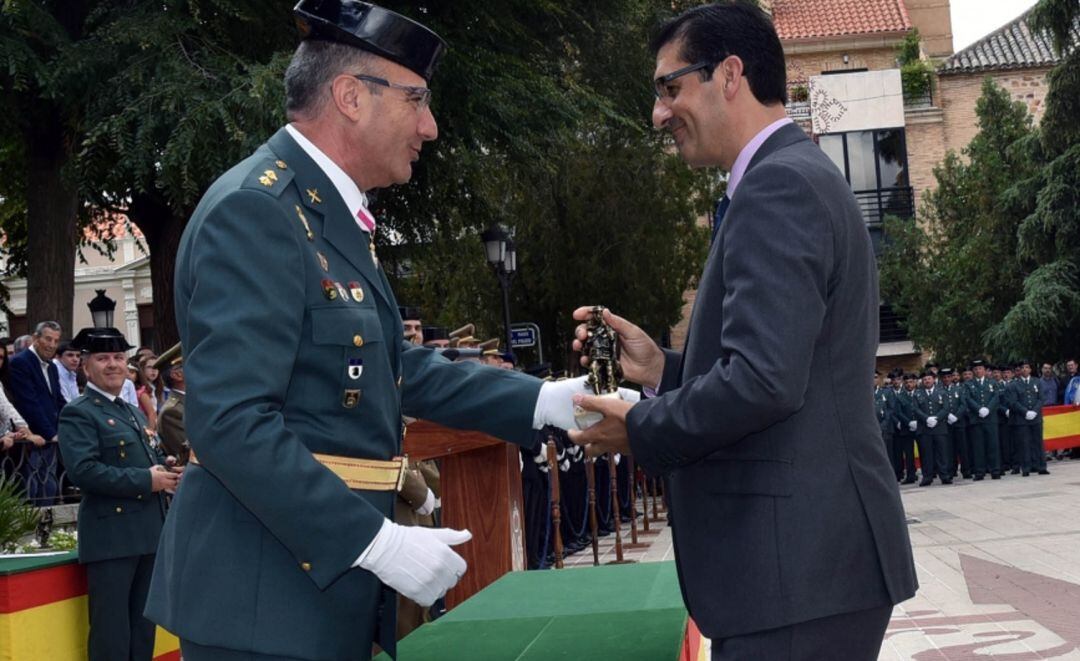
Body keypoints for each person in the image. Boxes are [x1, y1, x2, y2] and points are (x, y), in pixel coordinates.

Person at [144, 4, 584, 658]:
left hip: (308, 595)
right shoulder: (257, 211)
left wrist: (545, 400)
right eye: (417, 101)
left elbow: (388, 362)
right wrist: (373, 540)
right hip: (265, 600)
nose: (430, 127)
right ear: (351, 96)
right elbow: (230, 420)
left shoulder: (320, 211)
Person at [567, 4, 916, 658]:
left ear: (730, 74)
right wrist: (663, 369)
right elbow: (787, 366)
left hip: (797, 570)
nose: (659, 114)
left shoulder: (778, 185)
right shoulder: (787, 176)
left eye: (671, 87)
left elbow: (763, 381)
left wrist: (640, 426)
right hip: (804, 571)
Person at [57, 328, 180, 661]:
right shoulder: (79, 412)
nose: (112, 364)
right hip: (112, 538)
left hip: (148, 534)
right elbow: (84, 472)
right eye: (102, 358)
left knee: (143, 632)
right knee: (112, 635)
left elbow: (147, 456)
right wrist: (146, 480)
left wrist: (166, 467)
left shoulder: (132, 411)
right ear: (85, 367)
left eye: (118, 358)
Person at [7, 321, 67, 504]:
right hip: (31, 441)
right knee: (31, 491)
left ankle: (47, 531)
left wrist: (74, 420)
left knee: (49, 488)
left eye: (56, 340)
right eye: (48, 339)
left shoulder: (53, 367)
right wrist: (51, 433)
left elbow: (58, 400)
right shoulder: (20, 362)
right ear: (35, 338)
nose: (52, 345)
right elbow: (28, 403)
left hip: (51, 440)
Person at [1005, 359, 1048, 476]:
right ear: (1019, 371)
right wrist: (1025, 412)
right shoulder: (1014, 384)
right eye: (1022, 368)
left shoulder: (1037, 382)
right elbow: (1013, 402)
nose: (1025, 370)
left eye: (1027, 367)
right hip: (1021, 419)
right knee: (1024, 444)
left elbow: (1041, 398)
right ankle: (1026, 468)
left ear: (1030, 369)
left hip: (1036, 417)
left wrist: (1034, 411)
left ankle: (1041, 466)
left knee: (1038, 442)